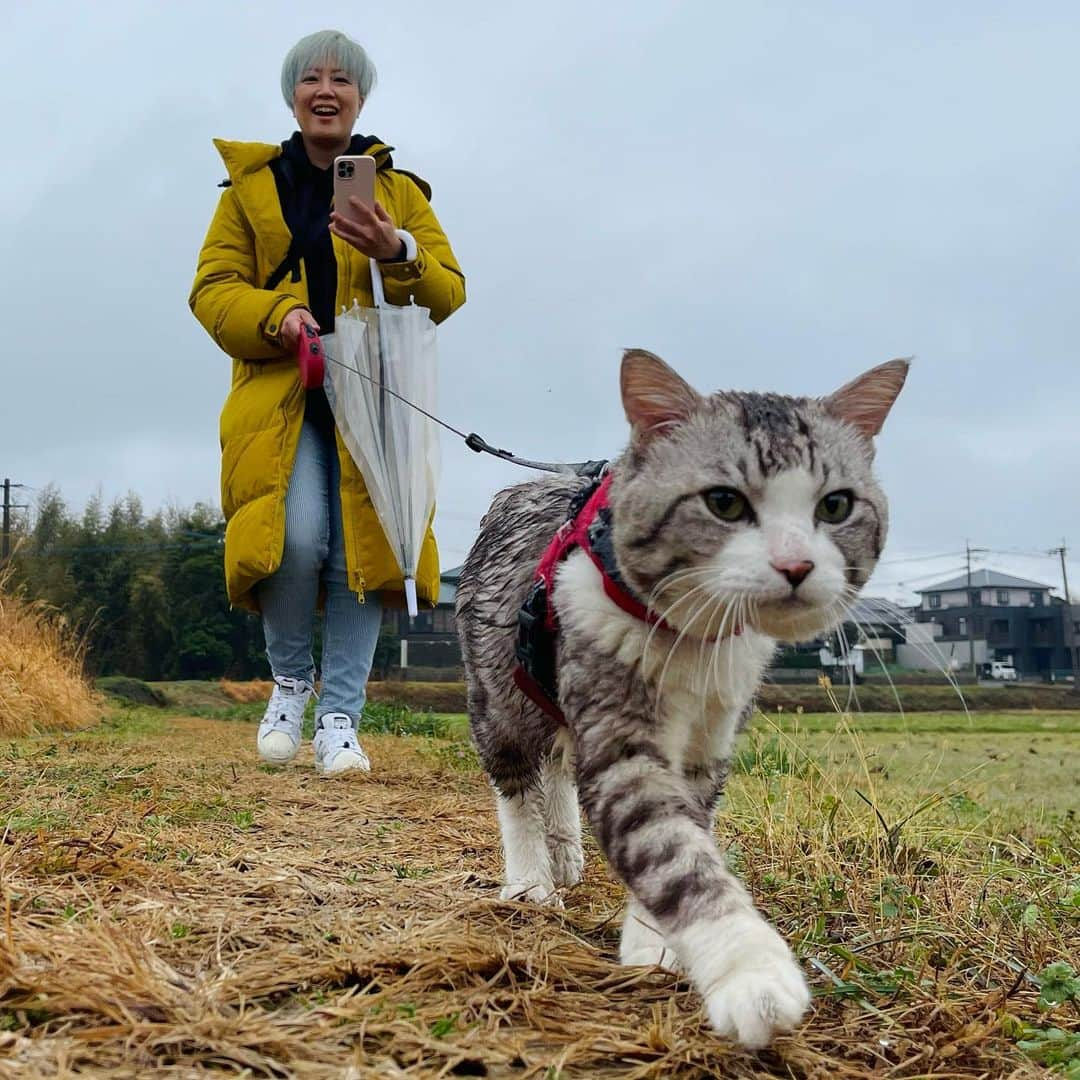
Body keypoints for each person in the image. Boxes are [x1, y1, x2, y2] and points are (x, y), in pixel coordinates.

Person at [190, 29, 465, 774]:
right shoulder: (248, 192)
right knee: (294, 536)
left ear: (361, 98)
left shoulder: (399, 191)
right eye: (310, 78)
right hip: (282, 397)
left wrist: (396, 250)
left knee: (363, 554)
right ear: (292, 96)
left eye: (341, 80)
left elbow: (448, 291)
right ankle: (288, 686)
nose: (325, 90)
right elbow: (211, 292)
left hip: (374, 395)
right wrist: (274, 315)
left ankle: (339, 717)